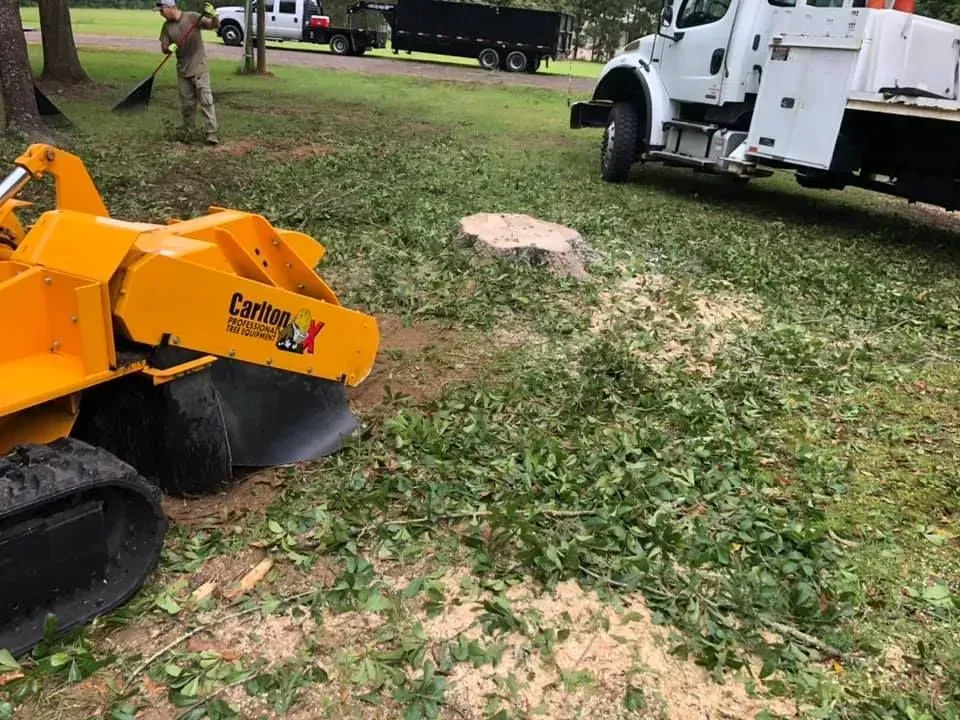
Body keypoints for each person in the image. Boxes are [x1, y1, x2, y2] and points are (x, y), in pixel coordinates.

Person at [157, 0, 221, 145]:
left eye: (161, 10)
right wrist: (169, 48)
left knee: (206, 101)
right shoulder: (166, 27)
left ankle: (212, 134)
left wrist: (214, 15)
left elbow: (214, 25)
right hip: (182, 70)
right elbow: (164, 47)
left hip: (199, 67)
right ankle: (188, 131)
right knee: (187, 104)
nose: (160, 14)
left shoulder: (192, 17)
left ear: (170, 7)